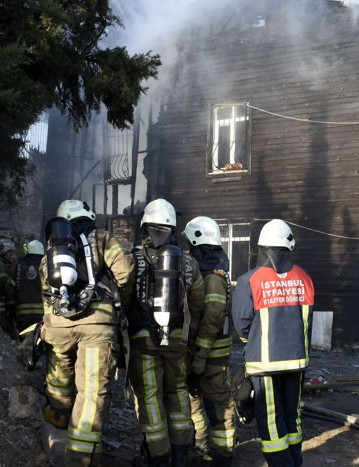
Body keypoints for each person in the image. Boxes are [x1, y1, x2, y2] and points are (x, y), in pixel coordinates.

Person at [39, 199, 133, 467]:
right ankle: (81, 457)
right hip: (96, 326)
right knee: (92, 392)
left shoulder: (53, 248)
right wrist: (119, 301)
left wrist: (51, 322)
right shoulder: (101, 237)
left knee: (60, 376)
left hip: (57, 324)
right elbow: (125, 271)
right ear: (87, 216)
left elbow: (45, 287)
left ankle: (58, 415)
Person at [126, 199, 205, 467]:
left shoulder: (131, 258)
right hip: (177, 342)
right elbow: (197, 303)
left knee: (150, 398)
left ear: (145, 227)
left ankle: (158, 458)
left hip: (143, 341)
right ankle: (182, 454)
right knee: (178, 393)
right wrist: (187, 338)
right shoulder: (189, 263)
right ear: (173, 228)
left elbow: (121, 298)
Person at [231, 219, 314, 467]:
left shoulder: (249, 280)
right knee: (292, 416)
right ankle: (294, 461)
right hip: (297, 363)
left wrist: (251, 342)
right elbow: (306, 322)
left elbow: (241, 324)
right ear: (289, 247)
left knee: (270, 419)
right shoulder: (305, 278)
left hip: (264, 365)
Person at [181, 216, 236, 466]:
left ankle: (223, 452)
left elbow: (213, 317)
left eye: (190, 245)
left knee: (217, 404)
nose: (187, 250)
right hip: (199, 353)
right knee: (193, 399)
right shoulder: (204, 272)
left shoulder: (214, 277)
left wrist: (200, 355)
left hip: (212, 355)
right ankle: (201, 444)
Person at [13, 239, 45, 334]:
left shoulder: (18, 264)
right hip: (43, 313)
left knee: (26, 340)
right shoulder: (45, 264)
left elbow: (11, 285)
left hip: (22, 313)